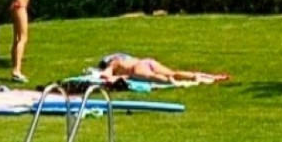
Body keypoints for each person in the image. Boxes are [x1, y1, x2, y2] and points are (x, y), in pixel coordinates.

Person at [94, 52, 230, 88]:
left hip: (138, 67)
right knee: (174, 72)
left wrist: (108, 76)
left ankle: (169, 81)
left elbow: (106, 75)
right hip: (147, 61)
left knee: (151, 77)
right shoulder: (125, 59)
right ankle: (211, 77)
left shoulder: (114, 63)